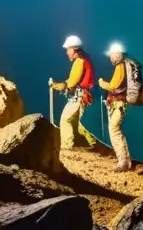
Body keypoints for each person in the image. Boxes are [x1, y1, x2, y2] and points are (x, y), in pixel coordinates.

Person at [49, 35, 97, 151]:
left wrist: (55, 85)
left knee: (65, 120)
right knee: (81, 124)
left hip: (79, 97)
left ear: (74, 50)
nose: (67, 53)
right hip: (83, 95)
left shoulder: (79, 62)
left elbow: (71, 83)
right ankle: (96, 144)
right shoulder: (84, 60)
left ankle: (67, 146)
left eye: (68, 50)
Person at [98, 41, 133, 172]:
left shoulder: (120, 67)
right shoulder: (125, 66)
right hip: (120, 104)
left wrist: (101, 83)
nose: (110, 57)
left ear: (118, 55)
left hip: (119, 104)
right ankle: (126, 161)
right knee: (117, 130)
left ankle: (123, 162)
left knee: (114, 130)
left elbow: (113, 85)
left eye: (112, 55)